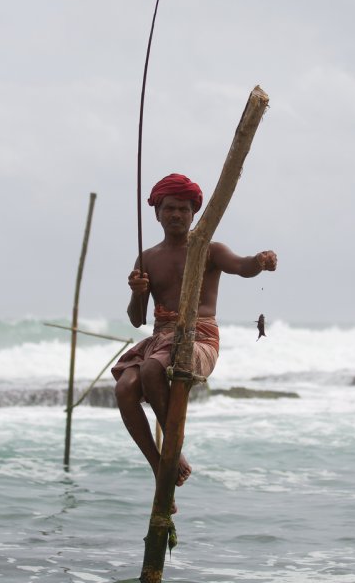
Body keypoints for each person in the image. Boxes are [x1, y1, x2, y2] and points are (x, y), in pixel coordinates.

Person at [112, 173, 277, 504]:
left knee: (151, 371)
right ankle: (161, 466)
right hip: (160, 338)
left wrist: (259, 263)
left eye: (184, 210)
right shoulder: (148, 258)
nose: (176, 215)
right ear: (157, 213)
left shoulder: (209, 249)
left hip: (198, 337)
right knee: (124, 388)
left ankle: (174, 449)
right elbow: (137, 319)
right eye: (170, 208)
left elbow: (242, 266)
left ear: (194, 213)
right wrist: (137, 293)